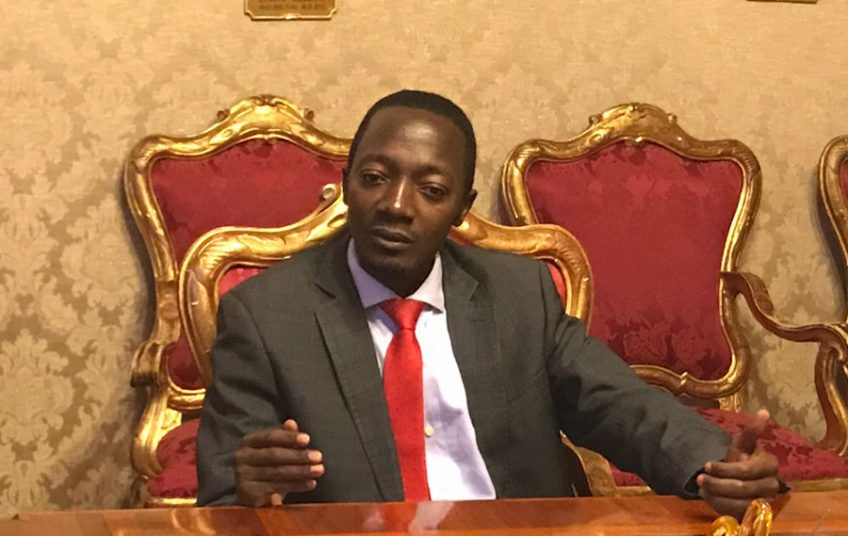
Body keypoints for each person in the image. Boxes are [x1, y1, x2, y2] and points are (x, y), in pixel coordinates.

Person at [196, 90, 780, 519]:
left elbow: (617, 404)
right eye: (375, 177)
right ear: (347, 184)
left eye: (431, 190)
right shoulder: (265, 315)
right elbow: (225, 494)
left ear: (461, 207)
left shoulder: (518, 294)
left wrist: (712, 463)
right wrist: (249, 490)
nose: (396, 205)